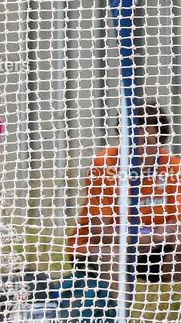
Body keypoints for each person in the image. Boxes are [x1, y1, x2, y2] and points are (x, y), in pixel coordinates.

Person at [67, 99, 181, 286]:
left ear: (160, 143)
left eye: (146, 142)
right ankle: (118, 306)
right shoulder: (104, 165)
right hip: (96, 249)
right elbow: (99, 233)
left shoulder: (172, 167)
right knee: (113, 255)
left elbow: (176, 227)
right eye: (132, 140)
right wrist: (149, 237)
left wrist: (163, 236)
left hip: (151, 249)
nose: (138, 149)